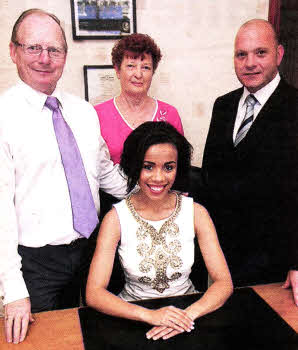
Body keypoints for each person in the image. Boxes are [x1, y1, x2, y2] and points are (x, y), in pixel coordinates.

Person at [0, 8, 127, 344]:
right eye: (33, 48)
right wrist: (12, 289)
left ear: (65, 56)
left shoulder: (83, 112)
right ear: (13, 51)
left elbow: (105, 176)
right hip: (36, 265)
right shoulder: (3, 117)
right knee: (46, 342)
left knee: (99, 336)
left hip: (92, 251)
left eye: (54, 50)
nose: (45, 58)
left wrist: (153, 191)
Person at [86, 121, 233, 341]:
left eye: (168, 167)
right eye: (148, 166)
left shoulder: (197, 213)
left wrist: (184, 317)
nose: (158, 177)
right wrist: (151, 316)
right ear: (135, 166)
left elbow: (224, 282)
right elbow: (94, 293)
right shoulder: (115, 218)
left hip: (190, 315)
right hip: (134, 317)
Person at [201, 19, 298, 305]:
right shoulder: (224, 105)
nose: (249, 63)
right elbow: (210, 175)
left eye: (260, 53)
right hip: (225, 259)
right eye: (241, 54)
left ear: (279, 55)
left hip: (277, 263)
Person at [94, 33, 184, 165]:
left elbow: (179, 165)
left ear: (152, 73)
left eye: (146, 67)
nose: (138, 74)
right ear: (118, 71)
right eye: (131, 66)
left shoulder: (170, 114)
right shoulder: (96, 115)